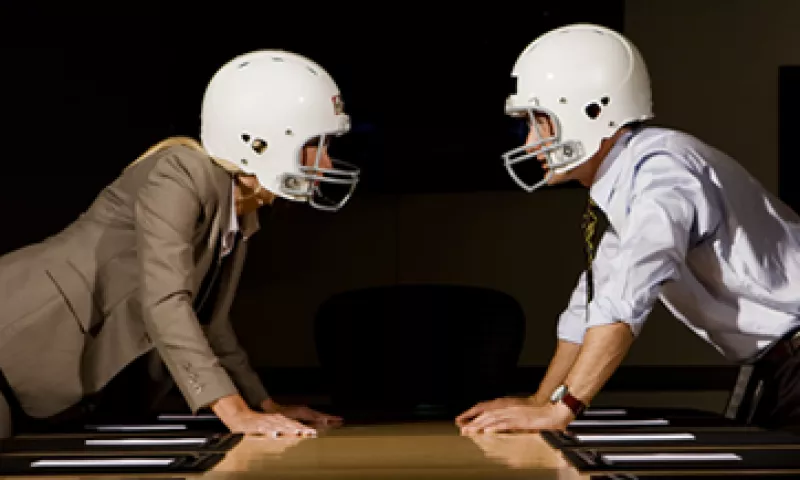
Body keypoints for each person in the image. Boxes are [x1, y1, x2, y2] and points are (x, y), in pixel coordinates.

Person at [456, 23, 800, 434]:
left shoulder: (662, 174)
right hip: (777, 365)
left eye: (541, 121)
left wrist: (562, 408)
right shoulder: (629, 180)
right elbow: (591, 307)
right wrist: (541, 402)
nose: (530, 142)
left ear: (592, 110)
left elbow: (625, 301)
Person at [0, 49, 360, 438]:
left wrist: (263, 405)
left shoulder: (240, 210)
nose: (325, 164)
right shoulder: (182, 172)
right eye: (316, 145)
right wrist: (235, 413)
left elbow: (212, 326)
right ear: (260, 140)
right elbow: (165, 301)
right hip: (16, 335)